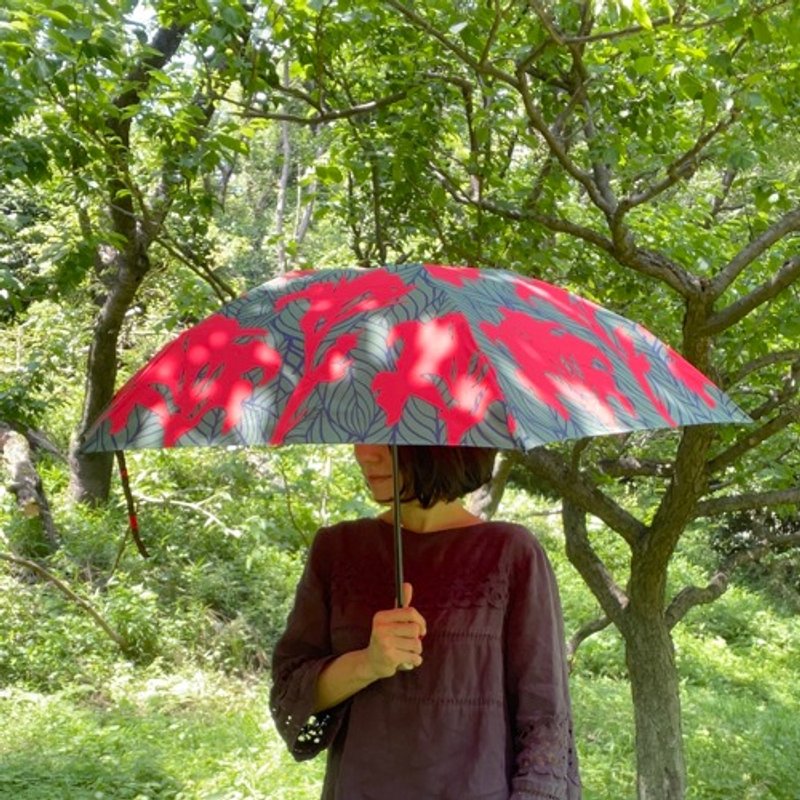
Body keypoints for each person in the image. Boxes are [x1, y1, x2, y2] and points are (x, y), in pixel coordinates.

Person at [270, 444, 581, 800]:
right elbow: (290, 691)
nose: (363, 454)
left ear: (438, 445)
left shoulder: (511, 553)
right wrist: (368, 663)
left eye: (383, 438)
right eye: (361, 435)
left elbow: (543, 716)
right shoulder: (337, 549)